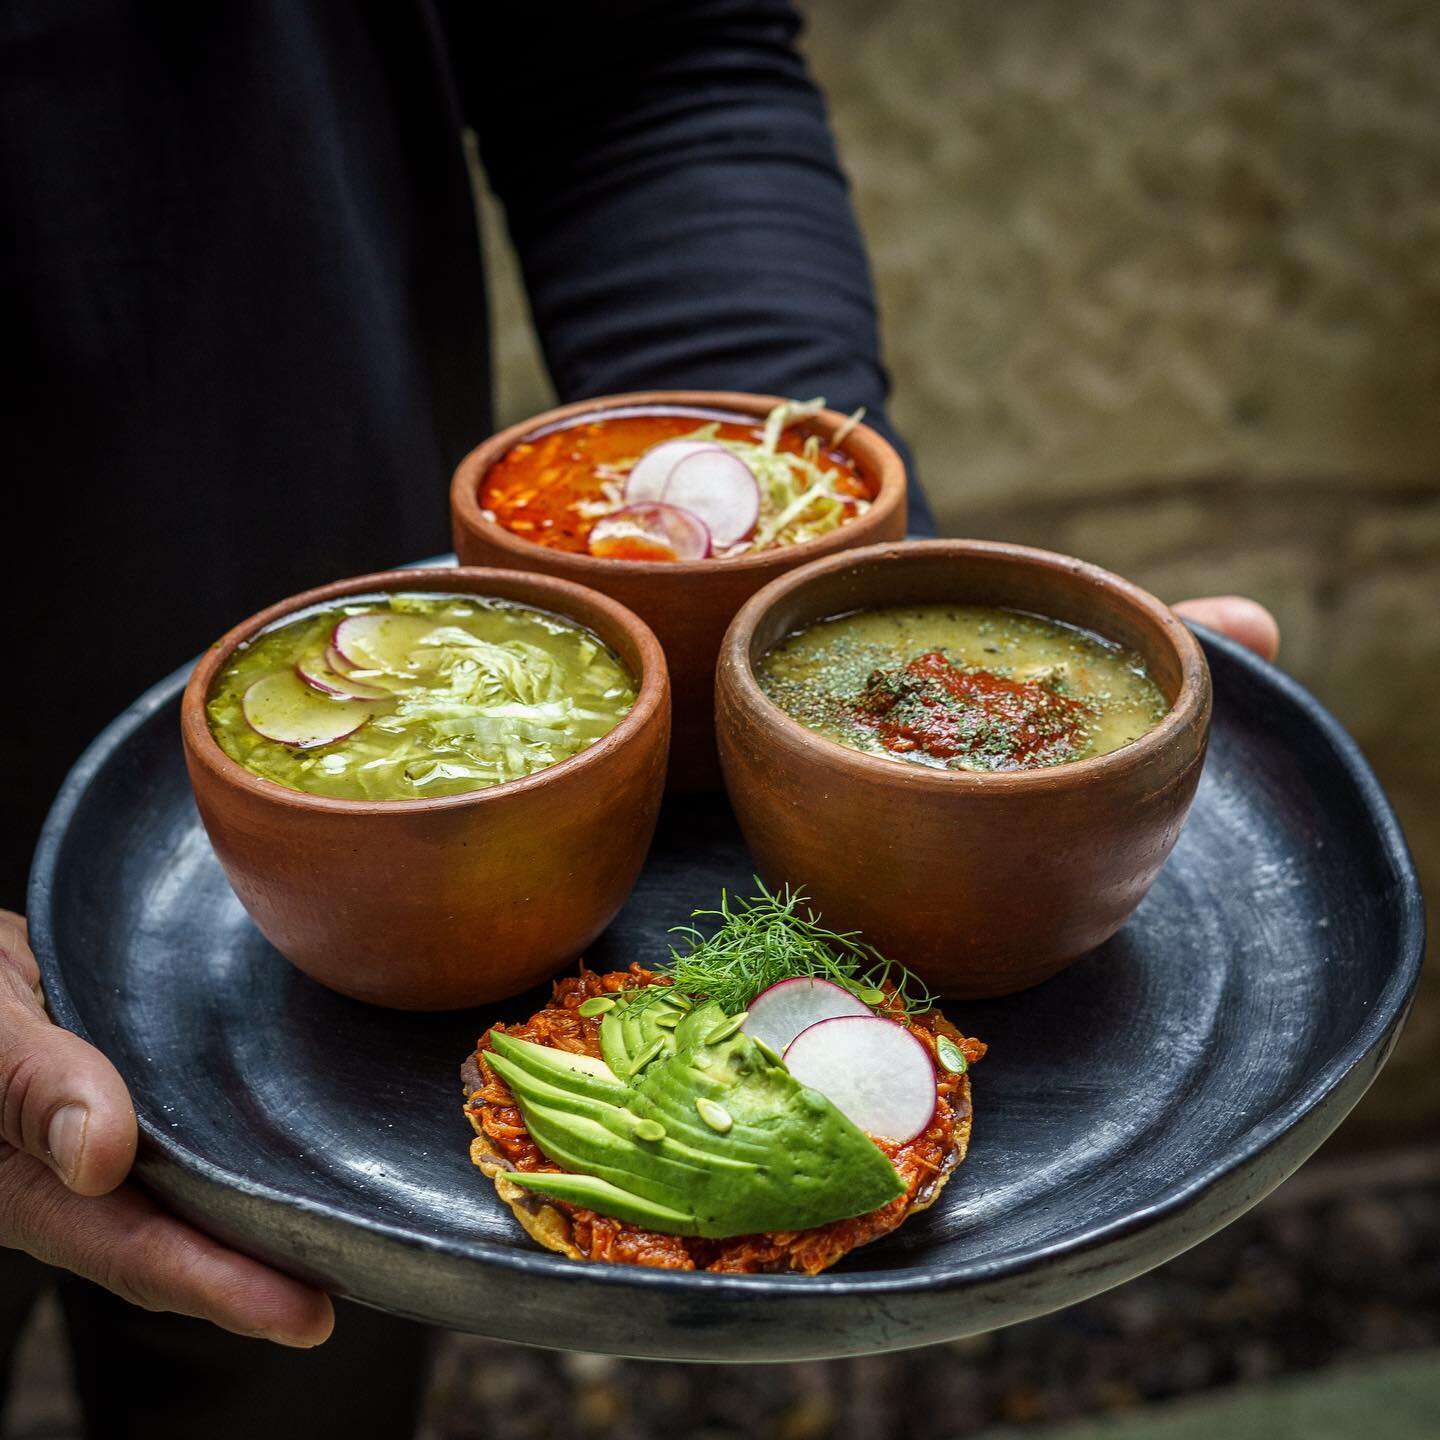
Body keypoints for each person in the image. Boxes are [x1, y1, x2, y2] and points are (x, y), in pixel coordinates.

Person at [1, 3, 1279, 1435]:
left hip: (418, 736)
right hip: (241, 855)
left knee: (295, 1377)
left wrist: (837, 581)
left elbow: (644, 61)